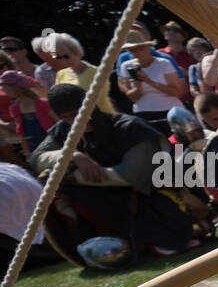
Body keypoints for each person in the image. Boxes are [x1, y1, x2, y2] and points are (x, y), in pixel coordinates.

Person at [32, 84, 194, 260]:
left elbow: (130, 175)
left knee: (168, 232)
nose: (75, 121)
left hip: (150, 195)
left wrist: (73, 177)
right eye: (67, 117)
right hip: (105, 199)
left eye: (78, 113)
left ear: (91, 105)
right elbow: (37, 158)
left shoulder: (129, 127)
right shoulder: (63, 130)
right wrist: (73, 155)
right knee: (58, 193)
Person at [117, 29, 187, 132]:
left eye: (140, 48)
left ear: (148, 47)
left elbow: (177, 92)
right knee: (154, 146)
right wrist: (138, 85)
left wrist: (150, 82)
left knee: (178, 143)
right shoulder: (126, 66)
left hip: (172, 111)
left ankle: (179, 149)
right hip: (144, 114)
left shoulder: (164, 63)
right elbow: (132, 97)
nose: (137, 52)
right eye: (132, 50)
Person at [1, 71, 55, 153]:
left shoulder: (43, 103)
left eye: (4, 86)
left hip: (53, 145)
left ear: (14, 87)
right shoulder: (15, 108)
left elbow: (59, 124)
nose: (2, 89)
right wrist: (27, 153)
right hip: (34, 148)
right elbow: (21, 133)